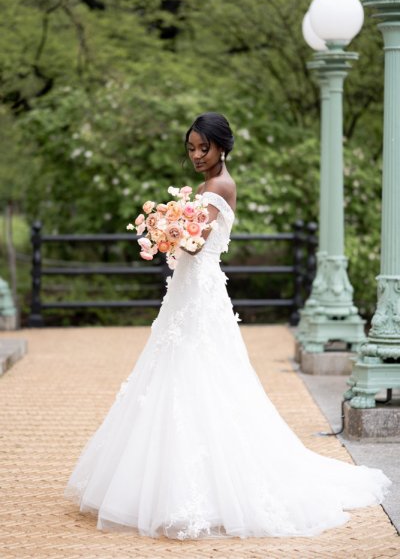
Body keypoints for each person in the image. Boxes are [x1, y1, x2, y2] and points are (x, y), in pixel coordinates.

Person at [64, 112, 392, 540]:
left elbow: (197, 249)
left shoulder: (219, 187)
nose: (198, 155)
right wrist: (168, 229)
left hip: (198, 296)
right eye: (192, 148)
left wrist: (167, 230)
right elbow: (192, 245)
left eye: (205, 148)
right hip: (190, 294)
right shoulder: (206, 187)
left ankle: (208, 488)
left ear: (223, 148)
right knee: (178, 373)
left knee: (199, 376)